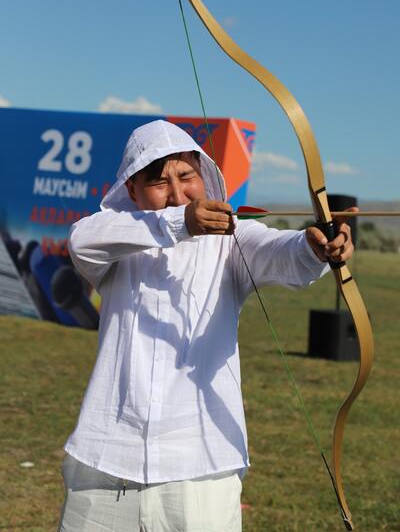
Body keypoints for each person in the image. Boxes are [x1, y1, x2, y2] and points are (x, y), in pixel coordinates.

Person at [58, 119, 355, 532]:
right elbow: (82, 240)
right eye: (159, 182)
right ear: (132, 190)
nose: (177, 193)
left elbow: (280, 251)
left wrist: (314, 247)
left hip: (201, 468)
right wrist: (180, 223)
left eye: (187, 177)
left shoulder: (231, 241)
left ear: (203, 176)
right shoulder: (118, 240)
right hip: (107, 461)